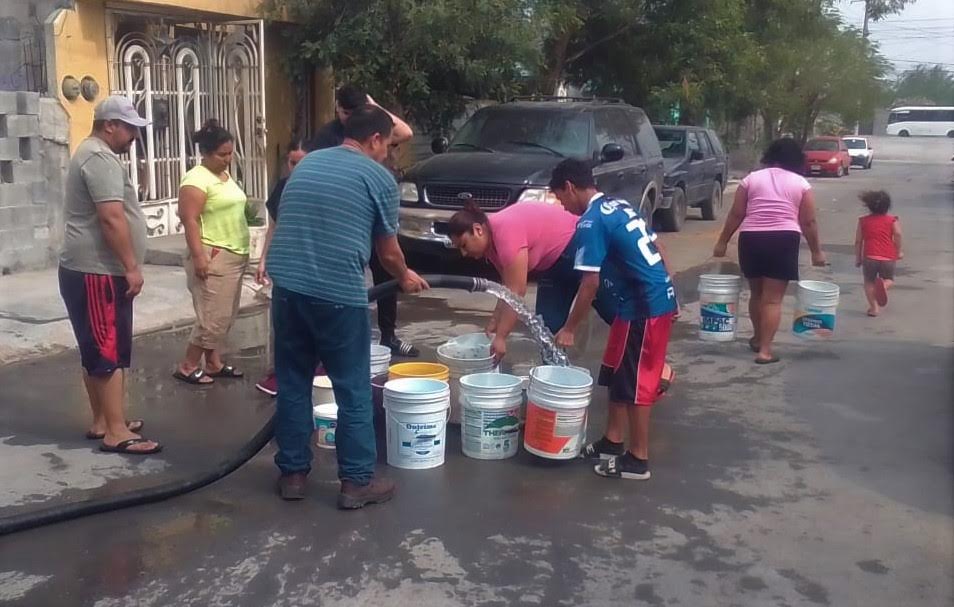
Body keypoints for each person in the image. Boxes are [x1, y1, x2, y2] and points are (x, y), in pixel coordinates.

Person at [266, 105, 428, 508]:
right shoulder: (380, 178)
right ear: (374, 139)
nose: (389, 154)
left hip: (286, 287)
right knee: (353, 388)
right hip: (337, 294)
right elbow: (388, 252)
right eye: (389, 146)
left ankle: (293, 475)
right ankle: (356, 483)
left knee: (292, 381)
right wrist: (405, 277)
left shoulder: (307, 164)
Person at [549, 159, 677, 481]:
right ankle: (613, 442)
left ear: (569, 186)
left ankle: (638, 460)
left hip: (646, 307)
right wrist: (664, 282)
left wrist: (569, 328)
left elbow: (589, 283)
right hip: (636, 302)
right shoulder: (616, 205)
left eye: (560, 198)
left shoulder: (590, 222)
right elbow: (657, 246)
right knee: (617, 372)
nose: (562, 206)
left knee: (636, 383)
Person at [58, 95, 161, 454]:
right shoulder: (99, 157)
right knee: (107, 350)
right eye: (130, 127)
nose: (134, 135)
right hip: (97, 271)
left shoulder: (92, 153)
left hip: (87, 270)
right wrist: (131, 267)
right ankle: (116, 431)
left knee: (96, 348)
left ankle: (105, 419)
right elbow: (111, 217)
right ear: (110, 125)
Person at [310, 84, 419, 357]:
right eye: (345, 111)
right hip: (346, 218)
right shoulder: (328, 136)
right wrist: (406, 275)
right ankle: (345, 339)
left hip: (374, 210)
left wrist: (375, 107)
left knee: (385, 273)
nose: (385, 150)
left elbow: (405, 133)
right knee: (350, 275)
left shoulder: (371, 126)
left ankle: (388, 336)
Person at [447, 200, 617, 362]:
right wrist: (495, 321)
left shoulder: (505, 231)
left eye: (464, 245)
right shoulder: (490, 247)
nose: (464, 253)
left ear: (478, 230)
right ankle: (553, 384)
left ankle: (632, 371)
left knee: (615, 314)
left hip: (577, 244)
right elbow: (505, 290)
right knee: (547, 333)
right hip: (552, 266)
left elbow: (516, 291)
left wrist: (501, 337)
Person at [713, 138, 826, 364]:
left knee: (757, 294)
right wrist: (816, 252)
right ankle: (765, 350)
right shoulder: (801, 184)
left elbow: (736, 214)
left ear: (770, 155)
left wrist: (722, 241)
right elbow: (809, 222)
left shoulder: (751, 179)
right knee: (773, 300)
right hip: (783, 239)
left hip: (752, 238)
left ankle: (757, 338)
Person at [173, 121, 250, 384]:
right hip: (213, 253)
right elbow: (189, 218)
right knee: (212, 317)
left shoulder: (225, 176)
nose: (228, 159)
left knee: (225, 313)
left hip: (235, 252)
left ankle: (213, 362)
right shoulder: (197, 178)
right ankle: (188, 365)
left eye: (230, 153)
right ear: (206, 153)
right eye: (222, 154)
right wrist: (199, 257)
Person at [254, 137, 309, 397]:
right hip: (286, 264)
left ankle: (313, 372)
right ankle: (279, 373)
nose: (295, 168)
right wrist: (263, 259)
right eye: (291, 162)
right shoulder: (283, 187)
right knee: (284, 322)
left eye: (301, 162)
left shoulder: (316, 188)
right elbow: (273, 227)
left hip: (312, 265)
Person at [855, 190, 902, 317]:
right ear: (887, 206)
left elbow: (858, 241)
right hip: (888, 256)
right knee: (889, 279)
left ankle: (874, 308)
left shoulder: (863, 221)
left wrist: (858, 258)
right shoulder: (892, 220)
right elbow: (897, 234)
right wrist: (898, 251)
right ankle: (884, 286)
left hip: (870, 256)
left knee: (869, 281)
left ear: (869, 206)